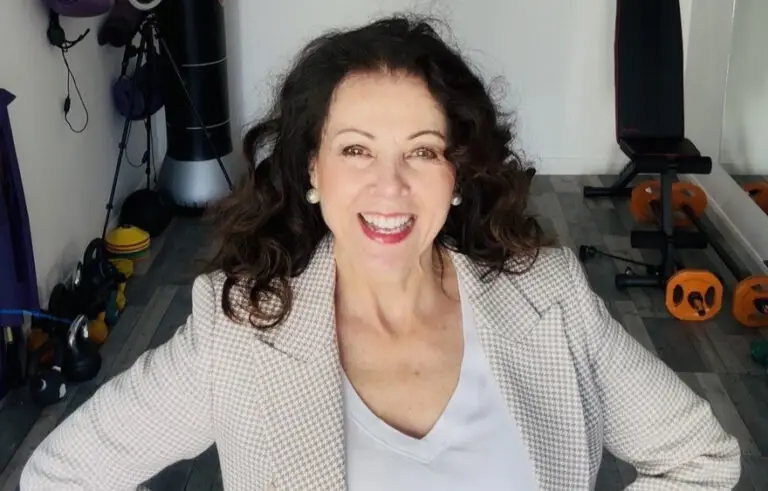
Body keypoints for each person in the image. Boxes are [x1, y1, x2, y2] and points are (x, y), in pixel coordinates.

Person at [21, 15, 740, 491]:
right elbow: (62, 474)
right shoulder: (238, 331)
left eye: (423, 151)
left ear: (459, 173)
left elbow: (701, 458)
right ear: (312, 171)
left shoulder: (549, 295)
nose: (389, 186)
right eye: (356, 149)